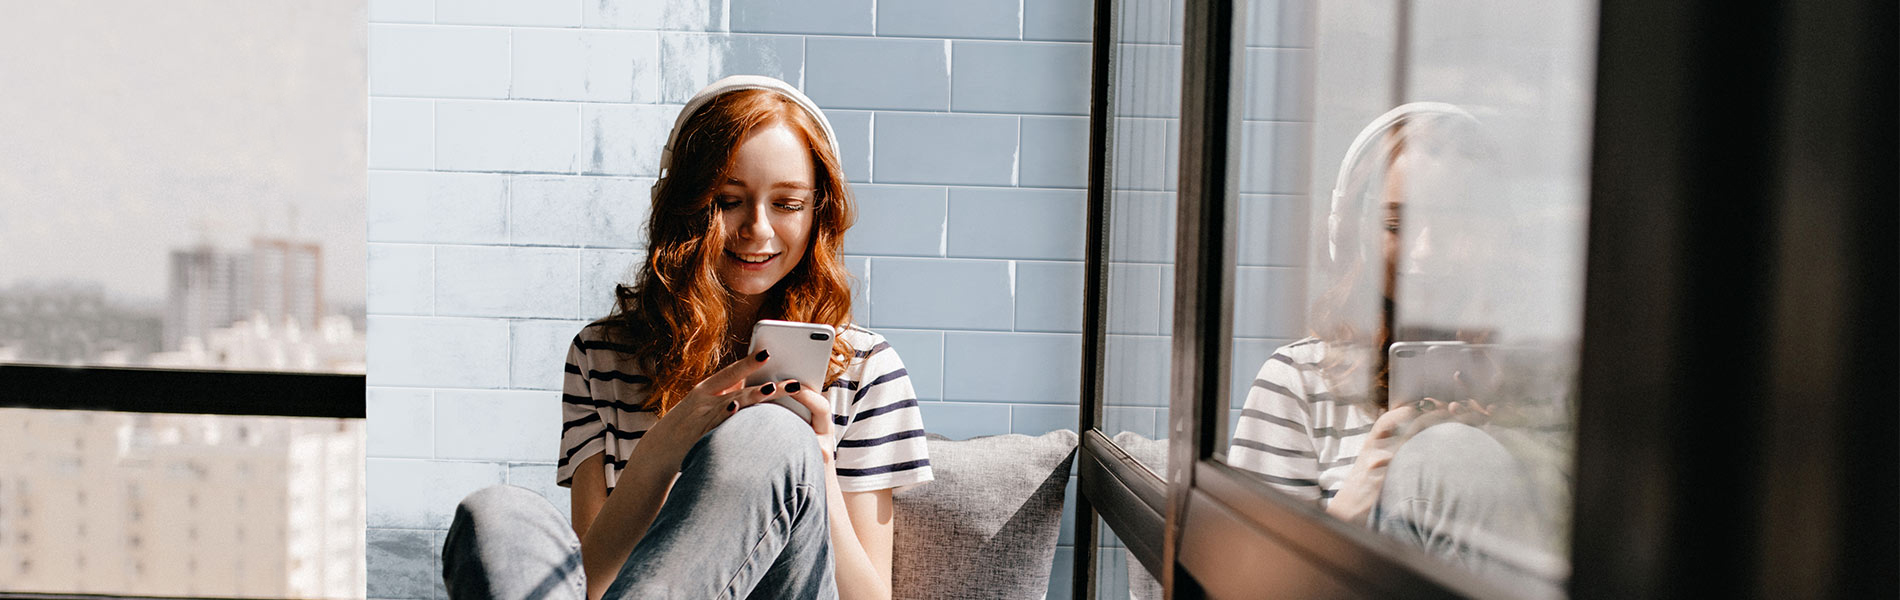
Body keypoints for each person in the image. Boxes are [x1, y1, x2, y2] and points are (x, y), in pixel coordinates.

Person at [442, 76, 933, 600]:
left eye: (788, 204)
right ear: (683, 205)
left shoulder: (865, 368)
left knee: (772, 433)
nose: (757, 229)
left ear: (818, 214)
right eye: (728, 200)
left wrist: (816, 467)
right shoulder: (601, 356)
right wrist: (663, 449)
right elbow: (592, 585)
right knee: (499, 514)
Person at [1227, 103, 1564, 595]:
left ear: (1494, 237)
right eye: (1395, 226)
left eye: (1453, 224)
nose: (1424, 250)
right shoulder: (1299, 380)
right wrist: (1363, 487)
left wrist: (1507, 449)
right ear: (1352, 233)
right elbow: (1248, 586)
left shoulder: (1536, 384)